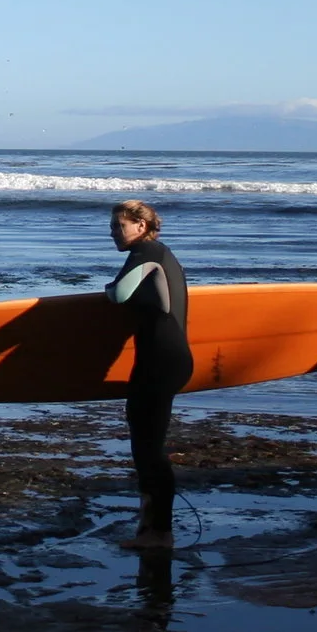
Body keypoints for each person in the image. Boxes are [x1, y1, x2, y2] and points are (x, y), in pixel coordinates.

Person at [105, 199, 193, 548]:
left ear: (140, 227)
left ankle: (160, 534)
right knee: (145, 446)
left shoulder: (148, 251)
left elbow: (119, 294)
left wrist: (106, 290)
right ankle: (151, 529)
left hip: (162, 360)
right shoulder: (158, 253)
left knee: (149, 449)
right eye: (112, 226)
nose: (113, 233)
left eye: (119, 226)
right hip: (165, 359)